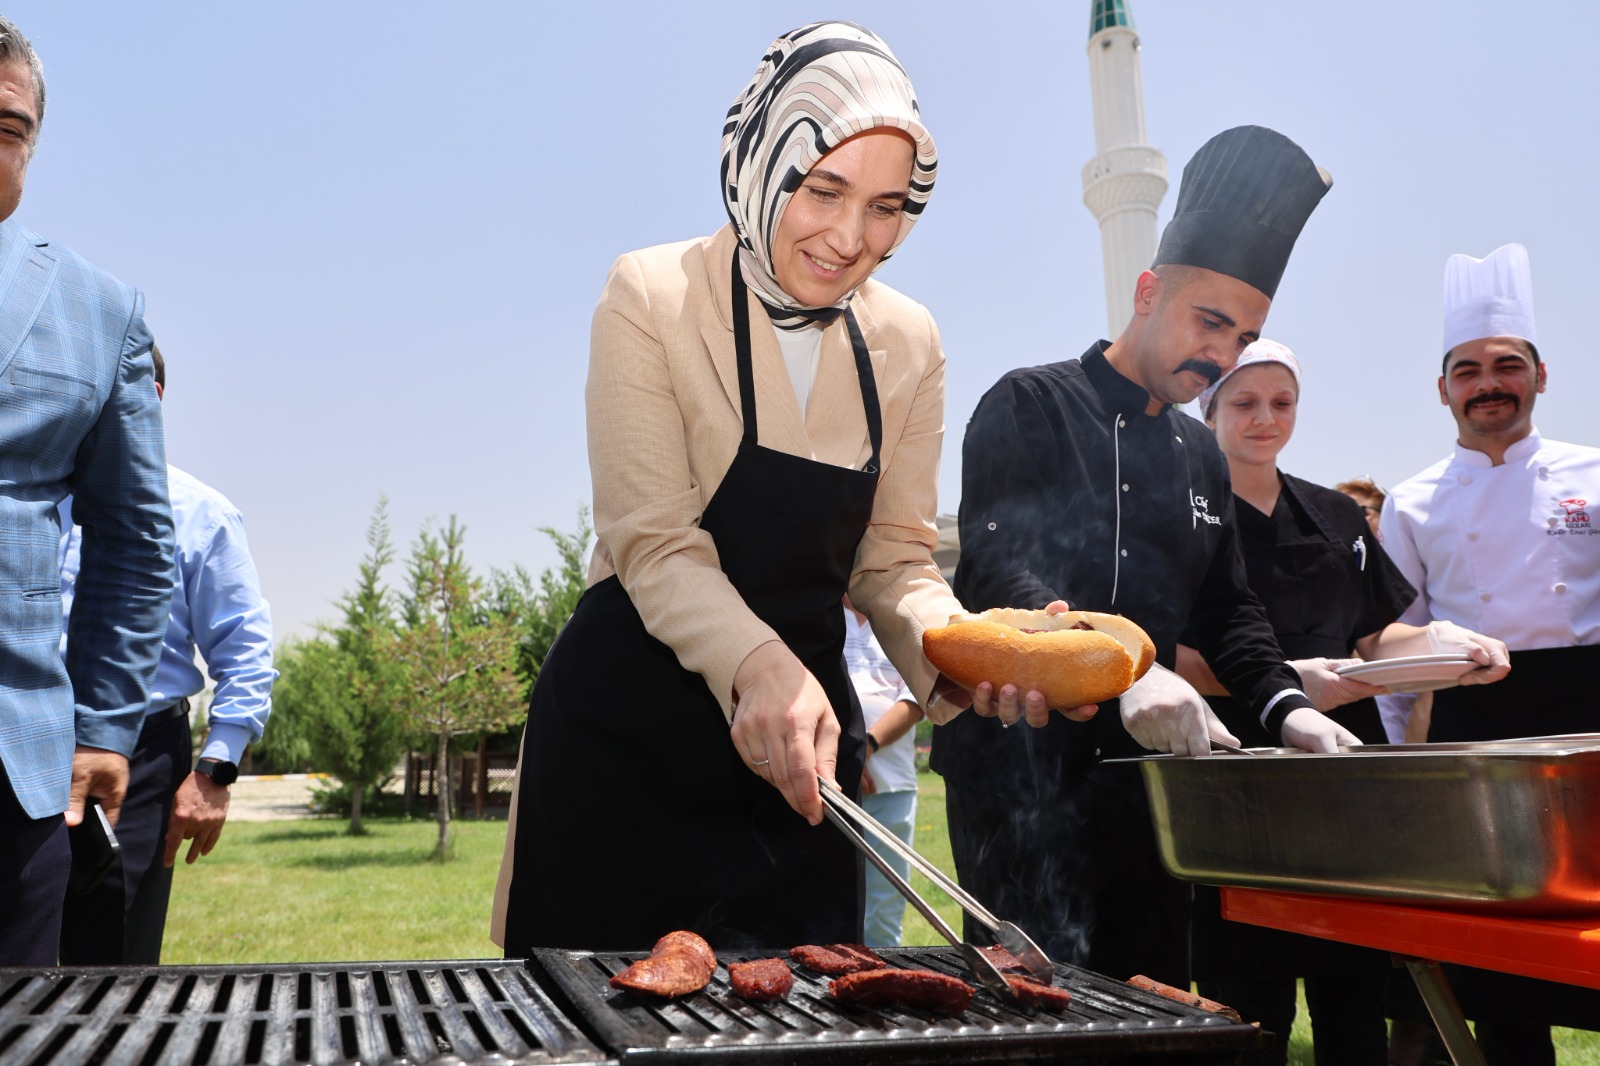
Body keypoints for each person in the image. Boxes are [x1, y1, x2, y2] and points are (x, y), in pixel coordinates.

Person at [492, 22, 986, 954]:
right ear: (764, 158)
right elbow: (654, 540)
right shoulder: (650, 294)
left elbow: (895, 560)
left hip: (800, 770)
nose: (850, 238)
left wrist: (965, 653)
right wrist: (759, 666)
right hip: (627, 736)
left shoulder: (910, 340)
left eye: (885, 206)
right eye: (823, 188)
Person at [933, 124, 1356, 990]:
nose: (1221, 355)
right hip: (1021, 783)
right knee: (1031, 1018)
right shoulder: (1028, 405)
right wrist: (1125, 671)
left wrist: (1285, 708)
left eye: (1243, 337)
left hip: (1151, 797)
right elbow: (1000, 575)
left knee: (1153, 1004)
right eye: (1210, 322)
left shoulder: (1201, 457)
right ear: (1145, 290)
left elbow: (1226, 608)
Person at [1176, 339, 1508, 1066]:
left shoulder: (1331, 514)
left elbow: (1374, 635)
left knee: (1351, 984)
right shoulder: (1185, 519)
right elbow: (1171, 658)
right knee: (1246, 993)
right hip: (1240, 771)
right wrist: (1281, 682)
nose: (1265, 419)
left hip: (1343, 773)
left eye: (1282, 403)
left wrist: (1439, 645)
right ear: (1209, 411)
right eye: (1245, 403)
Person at [1379, 242, 1600, 1065]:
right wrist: (1406, 761)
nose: (1489, 384)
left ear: (1541, 375)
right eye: (1468, 370)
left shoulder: (1595, 475)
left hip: (1588, 721)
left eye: (1508, 364)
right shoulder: (1415, 500)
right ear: (1444, 390)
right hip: (1480, 728)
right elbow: (1398, 645)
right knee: (1502, 948)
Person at [0, 16, 174, 966]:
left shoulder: (99, 313)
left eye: (7, 126)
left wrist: (106, 720)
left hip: (14, 775)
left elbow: (134, 537)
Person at [57, 345, 277, 965]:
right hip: (22, 743)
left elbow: (246, 651)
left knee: (110, 962)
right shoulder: (33, 503)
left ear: (148, 397)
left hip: (141, 756)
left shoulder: (201, 514)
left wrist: (216, 772)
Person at [843, 599, 924, 946]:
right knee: (831, 896)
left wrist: (865, 747)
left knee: (885, 905)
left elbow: (915, 700)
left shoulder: (901, 619)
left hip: (892, 784)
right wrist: (845, 755)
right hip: (831, 780)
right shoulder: (824, 613)